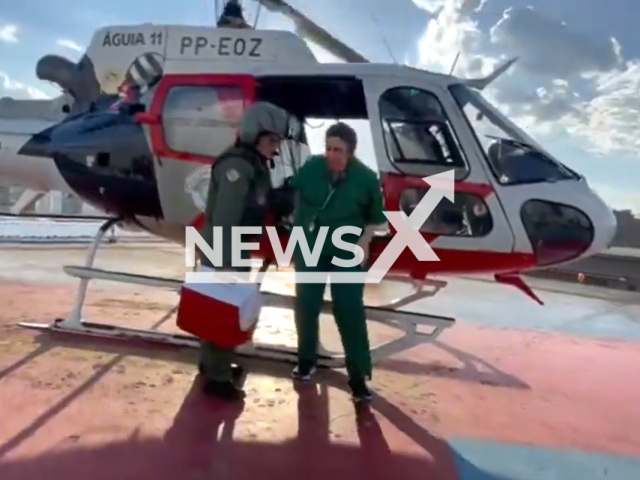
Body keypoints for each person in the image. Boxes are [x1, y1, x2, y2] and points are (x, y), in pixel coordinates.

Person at [198, 101, 291, 401]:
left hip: (234, 248)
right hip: (225, 250)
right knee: (222, 312)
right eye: (272, 140)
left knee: (220, 311)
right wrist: (225, 266)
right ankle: (217, 378)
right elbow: (226, 217)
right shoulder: (238, 166)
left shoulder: (253, 163)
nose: (276, 148)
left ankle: (213, 367)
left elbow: (254, 204)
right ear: (255, 135)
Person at [290, 122, 387, 403]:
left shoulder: (366, 178)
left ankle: (358, 377)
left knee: (349, 309)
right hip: (311, 242)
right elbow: (294, 192)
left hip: (347, 245)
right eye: (329, 148)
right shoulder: (312, 168)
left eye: (339, 150)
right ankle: (307, 360)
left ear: (351, 152)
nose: (332, 154)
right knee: (306, 303)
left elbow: (377, 218)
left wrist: (364, 240)